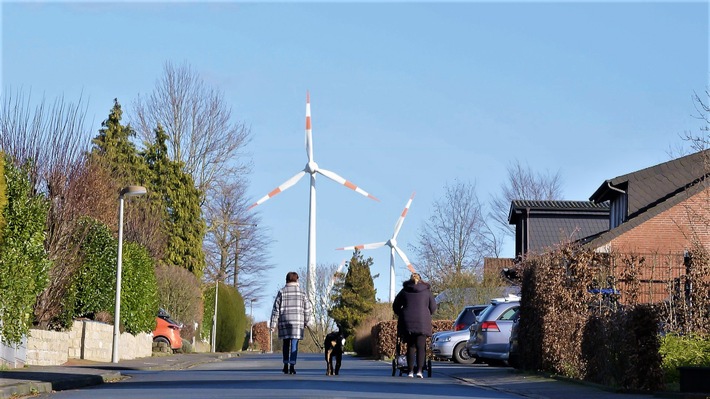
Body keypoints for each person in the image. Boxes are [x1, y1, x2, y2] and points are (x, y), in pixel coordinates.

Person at [392, 272, 436, 378]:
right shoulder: (427, 291)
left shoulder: (404, 291)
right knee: (421, 347)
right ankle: (420, 371)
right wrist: (426, 313)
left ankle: (410, 371)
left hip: (407, 322)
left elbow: (395, 306)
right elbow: (433, 307)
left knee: (410, 346)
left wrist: (401, 314)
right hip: (422, 321)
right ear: (421, 280)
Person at [270, 271, 313, 374]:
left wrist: (272, 325)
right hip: (297, 322)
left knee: (285, 343)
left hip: (284, 321)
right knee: (294, 344)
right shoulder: (302, 293)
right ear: (297, 280)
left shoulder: (281, 292)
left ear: (287, 280)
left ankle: (285, 364)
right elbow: (308, 309)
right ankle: (292, 365)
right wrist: (306, 321)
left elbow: (276, 309)